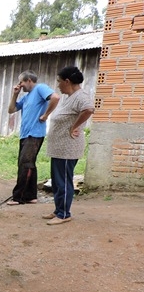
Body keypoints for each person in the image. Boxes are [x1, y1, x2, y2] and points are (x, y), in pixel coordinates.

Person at [42, 66, 94, 225]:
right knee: (57, 181)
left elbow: (89, 109)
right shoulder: (69, 97)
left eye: (59, 81)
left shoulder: (81, 96)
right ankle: (59, 210)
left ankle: (64, 214)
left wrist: (75, 126)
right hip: (59, 147)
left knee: (63, 181)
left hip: (67, 148)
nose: (58, 85)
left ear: (67, 81)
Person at [7, 70, 60, 205]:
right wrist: (15, 94)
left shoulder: (40, 88)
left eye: (21, 82)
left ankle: (18, 197)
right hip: (25, 135)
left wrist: (46, 115)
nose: (20, 85)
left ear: (29, 80)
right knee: (28, 164)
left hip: (34, 134)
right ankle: (31, 196)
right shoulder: (26, 97)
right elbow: (11, 110)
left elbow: (55, 97)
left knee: (25, 164)